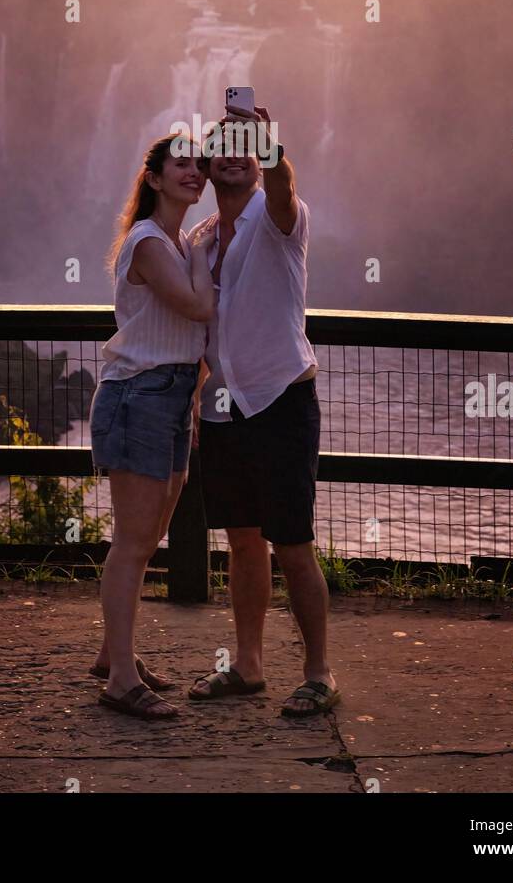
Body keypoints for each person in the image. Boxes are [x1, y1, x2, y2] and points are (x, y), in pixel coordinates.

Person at [188, 107, 340, 716]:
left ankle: (319, 673)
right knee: (242, 543)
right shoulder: (200, 240)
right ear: (204, 166)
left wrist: (267, 141)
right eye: (221, 147)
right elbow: (205, 331)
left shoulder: (281, 220)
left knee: (294, 542)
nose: (233, 155)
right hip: (224, 408)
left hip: (280, 400)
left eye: (244, 148)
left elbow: (284, 186)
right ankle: (248, 666)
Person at [88, 135, 214, 720]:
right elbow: (195, 307)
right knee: (133, 541)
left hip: (171, 396)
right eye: (181, 163)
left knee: (151, 532)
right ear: (156, 179)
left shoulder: (179, 240)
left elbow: (190, 328)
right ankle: (119, 681)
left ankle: (113, 654)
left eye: (199, 164)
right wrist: (218, 251)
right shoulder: (148, 243)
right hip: (138, 395)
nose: (194, 171)